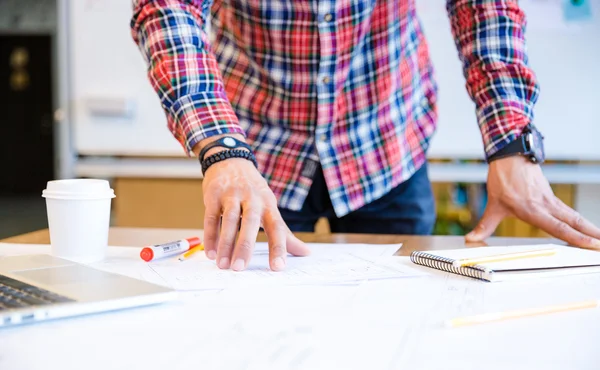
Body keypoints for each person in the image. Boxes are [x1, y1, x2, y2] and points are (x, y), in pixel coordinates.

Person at [130, 0, 600, 272]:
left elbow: (483, 6)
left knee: (399, 327)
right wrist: (219, 144)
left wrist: (509, 138)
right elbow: (168, 8)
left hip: (384, 139)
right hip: (254, 149)